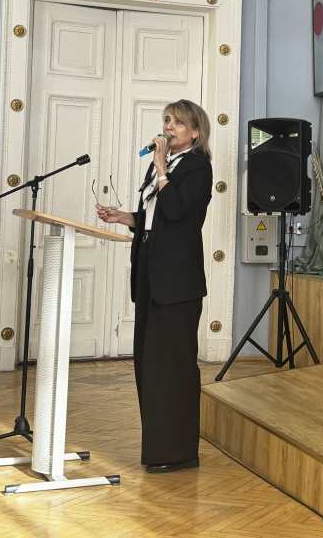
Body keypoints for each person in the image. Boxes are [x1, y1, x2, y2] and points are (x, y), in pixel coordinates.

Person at [95, 99, 213, 473]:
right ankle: (158, 449)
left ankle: (178, 452)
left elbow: (176, 210)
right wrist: (123, 217)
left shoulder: (197, 167)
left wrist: (161, 167)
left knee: (171, 366)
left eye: (178, 123)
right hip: (150, 272)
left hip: (177, 281)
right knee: (149, 364)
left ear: (195, 132)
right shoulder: (163, 166)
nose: (168, 127)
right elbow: (154, 217)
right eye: (166, 120)